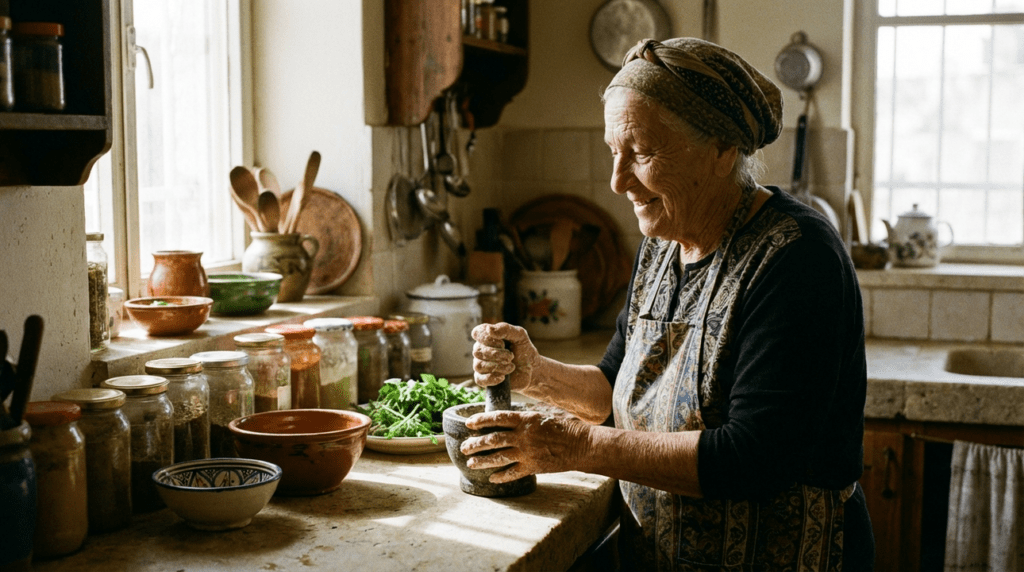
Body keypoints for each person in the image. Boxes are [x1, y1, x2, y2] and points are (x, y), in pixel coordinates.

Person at [466, 37, 874, 571]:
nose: (618, 181)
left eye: (643, 153)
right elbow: (620, 383)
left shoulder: (797, 257)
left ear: (723, 149)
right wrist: (536, 374)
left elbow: (755, 458)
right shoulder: (663, 243)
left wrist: (580, 447)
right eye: (615, 151)